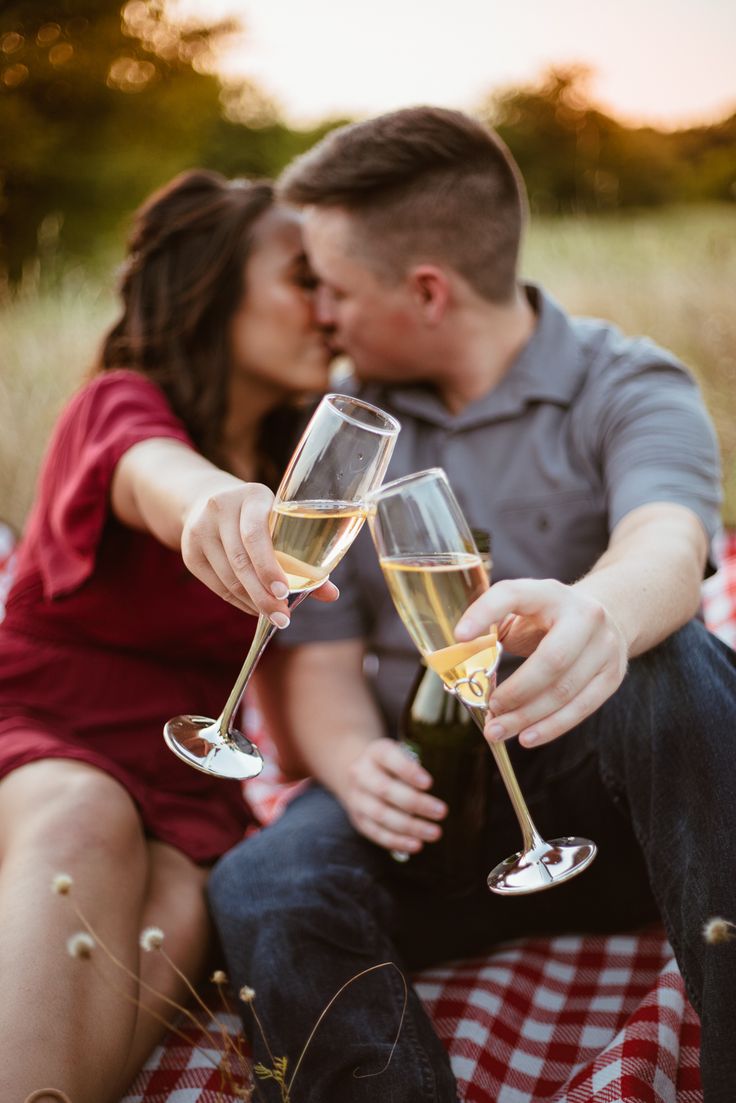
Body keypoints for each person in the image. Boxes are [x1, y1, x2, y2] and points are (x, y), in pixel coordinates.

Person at [208, 107, 736, 1103]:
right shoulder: (343, 426)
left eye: (334, 287)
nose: (320, 311)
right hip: (432, 799)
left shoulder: (626, 382)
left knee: (670, 661)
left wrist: (599, 621)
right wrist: (352, 760)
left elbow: (666, 541)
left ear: (425, 290)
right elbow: (314, 653)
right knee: (263, 880)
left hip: (617, 803)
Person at [0, 168, 337, 1103]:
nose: (330, 306)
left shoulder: (293, 468)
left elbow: (298, 729)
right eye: (303, 278)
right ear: (213, 287)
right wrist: (210, 507)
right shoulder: (120, 403)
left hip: (191, 801)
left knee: (181, 924)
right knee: (85, 816)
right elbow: (158, 477)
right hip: (48, 739)